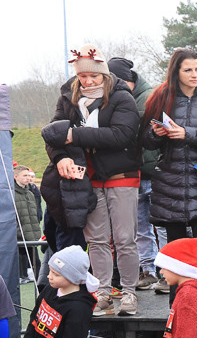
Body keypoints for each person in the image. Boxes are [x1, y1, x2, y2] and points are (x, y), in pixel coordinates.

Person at [42, 45, 142, 317]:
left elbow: (120, 136)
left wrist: (74, 136)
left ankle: (130, 291)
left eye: (93, 76)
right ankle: (103, 292)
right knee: (96, 240)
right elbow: (52, 134)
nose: (87, 81)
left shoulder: (122, 97)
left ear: (104, 75)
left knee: (124, 239)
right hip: (87, 179)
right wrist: (61, 156)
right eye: (82, 76)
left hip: (122, 175)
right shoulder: (67, 97)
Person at [142, 48, 197, 297]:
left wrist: (187, 133)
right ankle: (177, 304)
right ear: (176, 72)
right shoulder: (161, 96)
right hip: (169, 181)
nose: (194, 74)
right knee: (175, 250)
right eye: (188, 70)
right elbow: (145, 140)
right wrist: (155, 134)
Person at [108, 57, 161, 291]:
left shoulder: (148, 97)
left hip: (155, 171)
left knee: (161, 225)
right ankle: (148, 270)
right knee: (140, 226)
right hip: (136, 172)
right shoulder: (124, 97)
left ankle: (165, 271)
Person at [14, 166, 42, 281]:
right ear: (16, 177)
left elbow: (34, 216)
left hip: (31, 238)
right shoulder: (12, 195)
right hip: (19, 239)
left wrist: (35, 234)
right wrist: (18, 232)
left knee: (37, 265)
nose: (28, 178)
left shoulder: (30, 194)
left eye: (29, 175)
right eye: (24, 175)